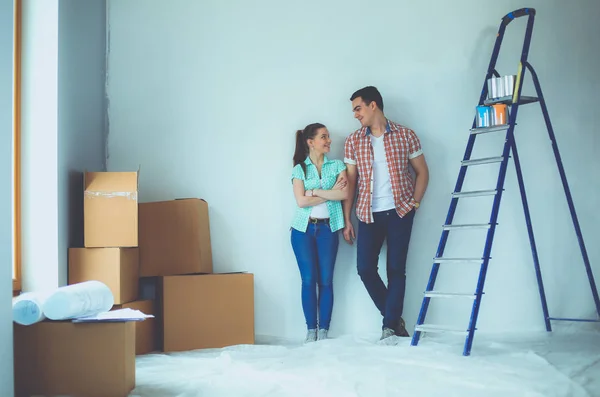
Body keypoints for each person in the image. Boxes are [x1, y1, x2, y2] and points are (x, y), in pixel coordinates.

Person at [342, 86, 429, 341]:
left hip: (400, 211)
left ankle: (389, 327)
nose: (355, 115)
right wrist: (347, 219)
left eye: (358, 108)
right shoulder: (354, 141)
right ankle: (393, 320)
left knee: (396, 270)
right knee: (365, 269)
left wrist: (415, 203)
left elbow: (422, 172)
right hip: (368, 214)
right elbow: (351, 183)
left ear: (373, 105)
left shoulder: (406, 135)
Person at [290, 122, 349, 343]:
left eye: (328, 136)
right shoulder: (300, 169)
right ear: (310, 142)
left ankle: (323, 331)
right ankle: (310, 331)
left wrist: (314, 190)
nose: (328, 141)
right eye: (323, 137)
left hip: (328, 228)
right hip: (302, 230)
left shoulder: (337, 166)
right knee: (308, 280)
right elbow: (301, 201)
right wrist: (330, 192)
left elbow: (344, 194)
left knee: (325, 280)